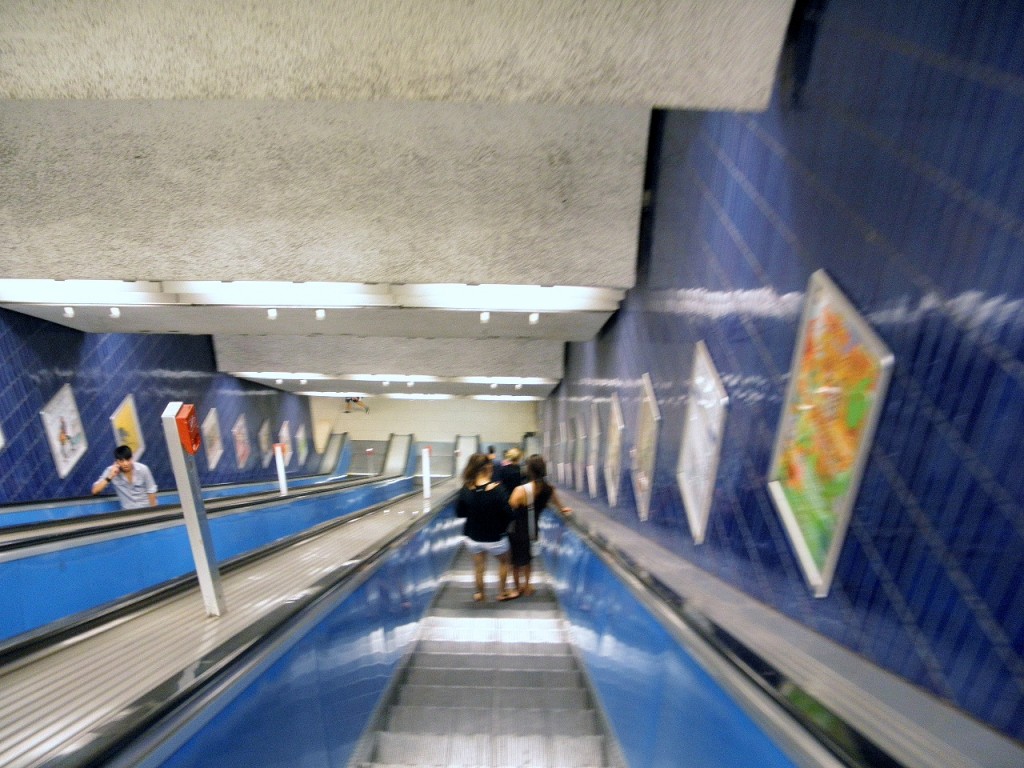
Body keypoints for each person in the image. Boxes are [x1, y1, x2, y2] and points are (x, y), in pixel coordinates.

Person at [508, 454, 572, 597]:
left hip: (517, 530)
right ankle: (528, 586)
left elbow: (510, 507)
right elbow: (560, 506)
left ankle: (517, 588)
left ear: (529, 470)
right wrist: (565, 510)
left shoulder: (520, 490)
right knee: (528, 559)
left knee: (516, 561)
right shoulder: (549, 489)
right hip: (533, 530)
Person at [455, 452, 516, 602]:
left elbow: (460, 513)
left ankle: (481, 594)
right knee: (504, 562)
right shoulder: (497, 489)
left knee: (479, 567)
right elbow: (509, 514)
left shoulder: (465, 489)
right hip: (495, 537)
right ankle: (502, 592)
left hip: (473, 537)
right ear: (488, 467)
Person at [92, 444, 158, 509]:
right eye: (121, 461)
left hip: (146, 509)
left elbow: (151, 491)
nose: (125, 463)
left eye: (128, 460)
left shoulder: (143, 469)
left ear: (132, 458)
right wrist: (110, 476)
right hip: (127, 513)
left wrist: (153, 512)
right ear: (116, 462)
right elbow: (95, 491)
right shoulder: (110, 471)